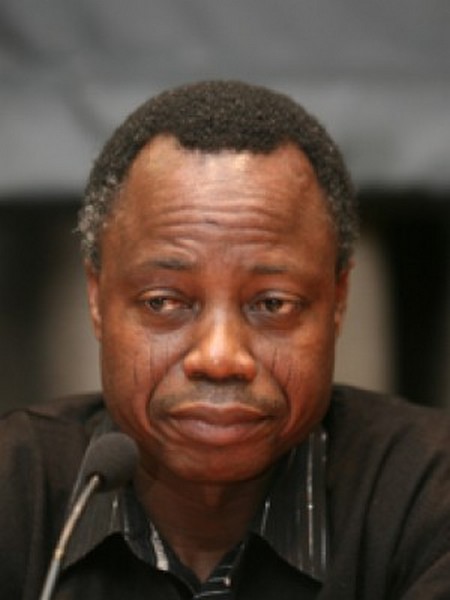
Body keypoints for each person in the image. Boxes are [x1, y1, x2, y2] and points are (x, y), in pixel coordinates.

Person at [1, 80, 450, 600]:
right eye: (163, 302)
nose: (219, 357)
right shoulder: (13, 491)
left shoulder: (430, 493)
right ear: (98, 299)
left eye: (273, 304)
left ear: (338, 300)